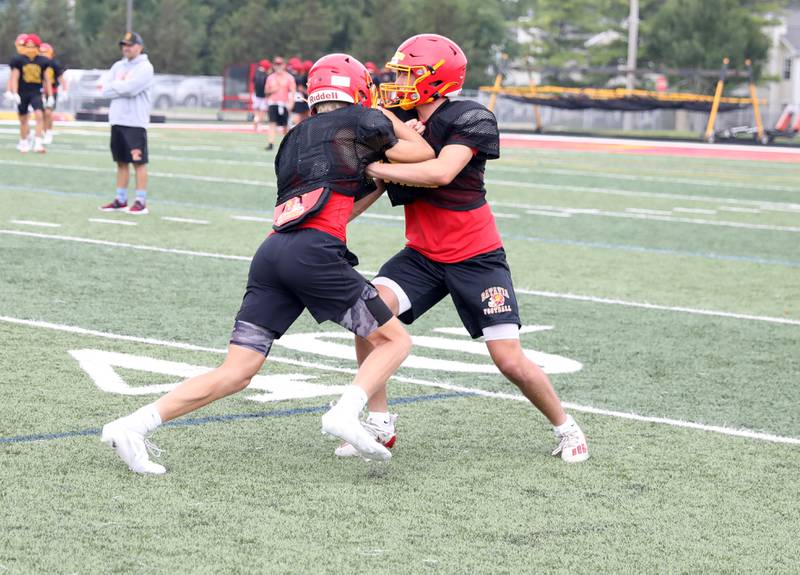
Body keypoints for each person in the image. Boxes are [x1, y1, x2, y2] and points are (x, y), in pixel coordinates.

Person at [101, 53, 435, 475]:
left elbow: (337, 207)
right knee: (396, 341)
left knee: (236, 371)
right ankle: (346, 412)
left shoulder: (295, 136)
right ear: (359, 90)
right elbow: (423, 152)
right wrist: (395, 123)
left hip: (273, 254)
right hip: (314, 254)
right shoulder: (366, 121)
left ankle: (133, 425)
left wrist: (377, 175)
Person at [337, 34, 590, 463]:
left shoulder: (470, 116)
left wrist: (377, 161)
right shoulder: (400, 119)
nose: (396, 81)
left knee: (508, 360)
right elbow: (373, 185)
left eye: (406, 74)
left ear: (435, 79)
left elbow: (441, 172)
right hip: (421, 255)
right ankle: (380, 423)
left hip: (476, 257)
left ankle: (566, 426)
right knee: (368, 318)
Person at [98, 32, 154, 215]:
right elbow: (104, 89)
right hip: (117, 119)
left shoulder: (145, 67)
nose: (126, 48)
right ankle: (120, 199)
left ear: (139, 47)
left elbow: (131, 89)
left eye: (130, 45)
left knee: (138, 162)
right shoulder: (117, 66)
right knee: (121, 162)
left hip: (135, 122)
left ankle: (140, 201)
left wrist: (116, 87)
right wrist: (118, 87)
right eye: (124, 45)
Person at [4, 33, 52, 153]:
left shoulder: (42, 61)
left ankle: (38, 143)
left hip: (36, 92)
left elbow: (46, 79)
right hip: (22, 92)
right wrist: (14, 93)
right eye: (28, 46)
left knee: (39, 115)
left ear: (37, 47)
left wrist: (50, 95)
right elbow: (14, 77)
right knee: (23, 118)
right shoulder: (18, 60)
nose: (30, 49)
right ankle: (24, 141)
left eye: (33, 46)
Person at [264, 56, 295, 151]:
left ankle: (286, 145)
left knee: (285, 126)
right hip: (273, 103)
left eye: (280, 64)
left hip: (284, 104)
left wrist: (291, 102)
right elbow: (266, 91)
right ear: (273, 65)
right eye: (276, 64)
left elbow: (293, 91)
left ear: (284, 65)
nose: (278, 66)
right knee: (272, 123)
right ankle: (270, 143)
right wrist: (272, 90)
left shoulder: (289, 77)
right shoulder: (270, 77)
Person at [40, 42, 67, 145]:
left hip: (53, 91)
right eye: (41, 52)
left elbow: (61, 78)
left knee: (48, 112)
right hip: (40, 91)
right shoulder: (38, 63)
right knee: (41, 114)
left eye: (45, 52)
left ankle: (49, 133)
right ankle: (43, 131)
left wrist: (65, 90)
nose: (43, 55)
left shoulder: (54, 64)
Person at [289, 57, 310, 126]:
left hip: (299, 97)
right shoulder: (302, 77)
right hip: (301, 98)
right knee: (300, 115)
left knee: (300, 115)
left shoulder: (291, 75)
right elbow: (300, 88)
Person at [252, 59, 271, 132]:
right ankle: (259, 125)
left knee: (256, 111)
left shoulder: (256, 73)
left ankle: (255, 124)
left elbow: (253, 82)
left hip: (256, 95)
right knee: (262, 112)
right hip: (264, 96)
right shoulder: (266, 75)